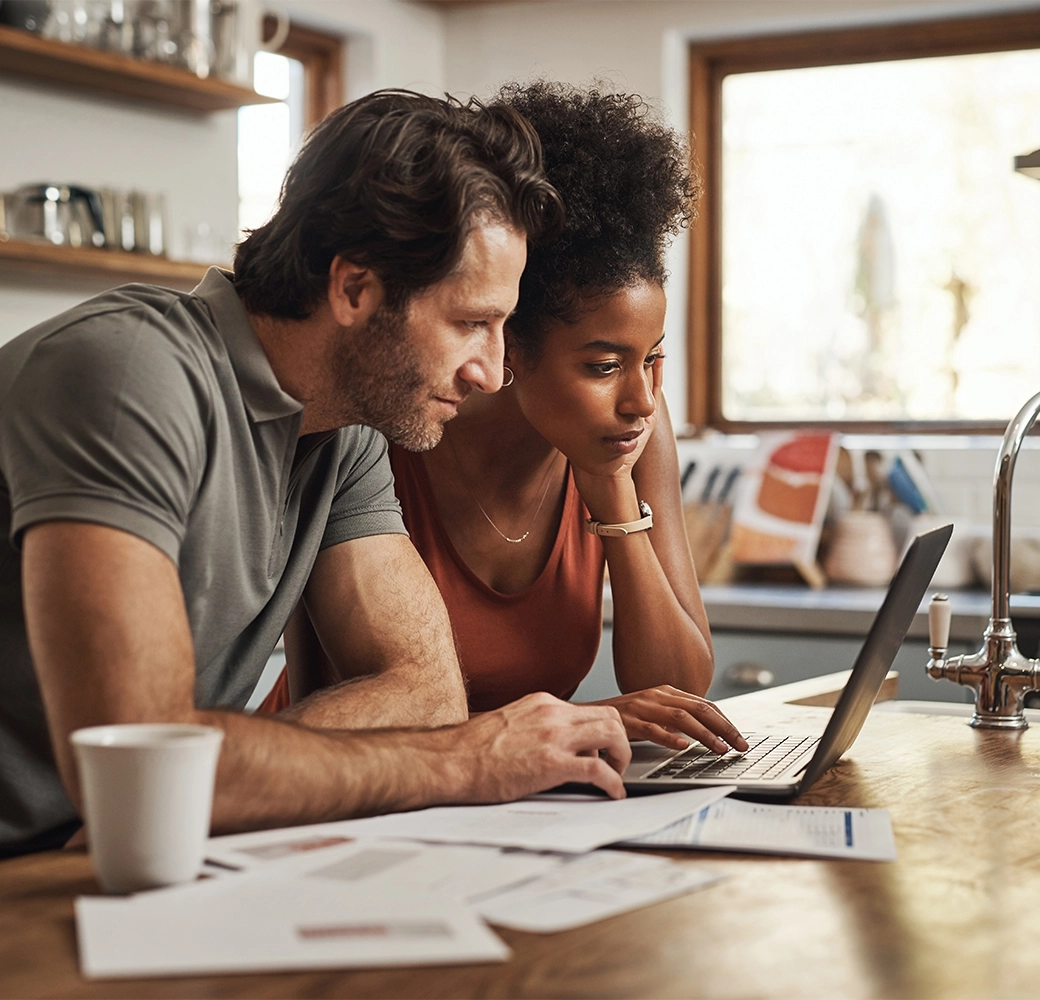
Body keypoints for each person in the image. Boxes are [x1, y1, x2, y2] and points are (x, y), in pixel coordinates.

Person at [0, 89, 644, 860]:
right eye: (472, 323)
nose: (492, 371)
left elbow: (427, 694)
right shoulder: (127, 374)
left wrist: (208, 777)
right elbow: (143, 768)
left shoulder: (343, 434)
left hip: (113, 858)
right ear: (353, 289)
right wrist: (468, 761)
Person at [262, 82, 749, 759]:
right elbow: (354, 699)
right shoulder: (390, 423)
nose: (642, 399)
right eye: (604, 366)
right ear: (509, 344)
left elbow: (679, 689)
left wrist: (610, 492)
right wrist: (582, 720)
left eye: (654, 360)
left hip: (511, 794)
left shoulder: (629, 432)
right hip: (342, 780)